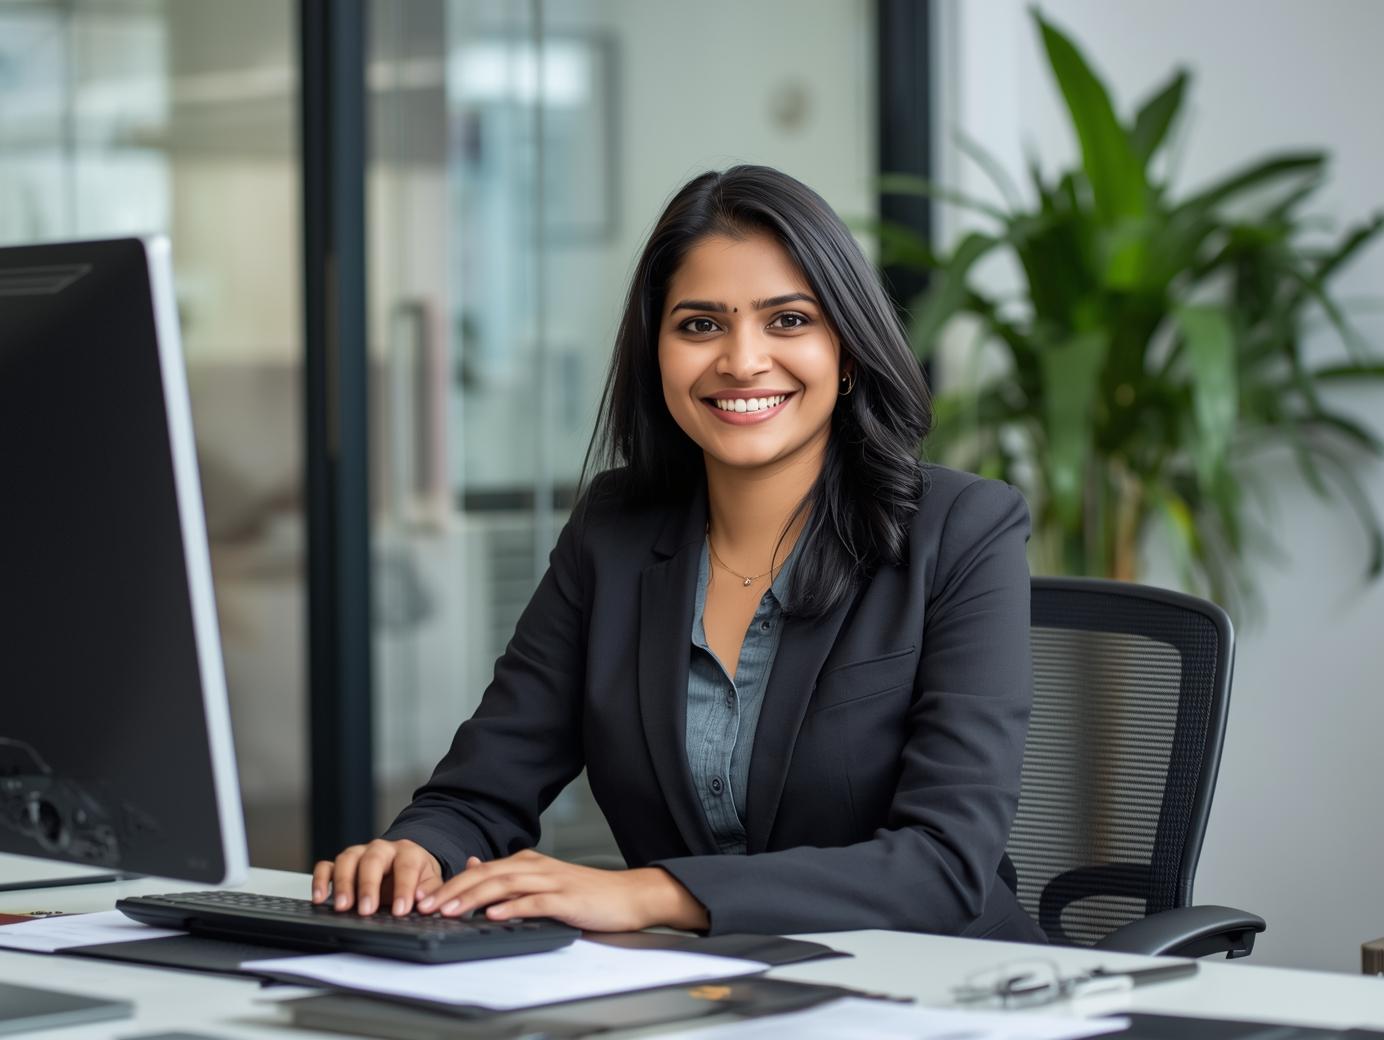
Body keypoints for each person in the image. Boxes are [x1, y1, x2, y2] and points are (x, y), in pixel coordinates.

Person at [312, 165, 1043, 942]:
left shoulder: (963, 528)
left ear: (849, 350)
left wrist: (651, 894)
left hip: (941, 991)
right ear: (657, 353)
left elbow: (947, 863)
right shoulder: (614, 533)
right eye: (700, 325)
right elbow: (480, 791)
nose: (742, 360)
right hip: (713, 998)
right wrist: (418, 852)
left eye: (788, 321)